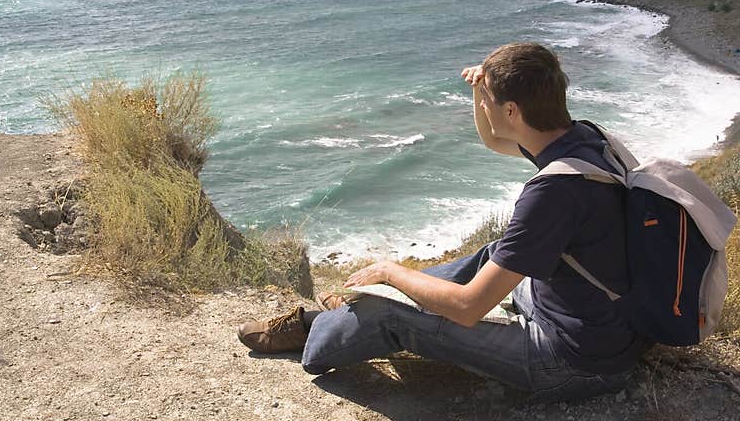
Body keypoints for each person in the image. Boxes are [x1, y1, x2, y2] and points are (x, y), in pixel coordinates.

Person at [236, 42, 651, 402]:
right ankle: (358, 302)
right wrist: (479, 91)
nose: (483, 104)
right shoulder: (585, 141)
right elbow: (494, 139)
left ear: (511, 109)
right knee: (495, 252)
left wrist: (391, 273)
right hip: (602, 325)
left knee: (390, 312)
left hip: (573, 360)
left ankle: (315, 333)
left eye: (488, 98)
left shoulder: (552, 192)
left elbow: (469, 308)